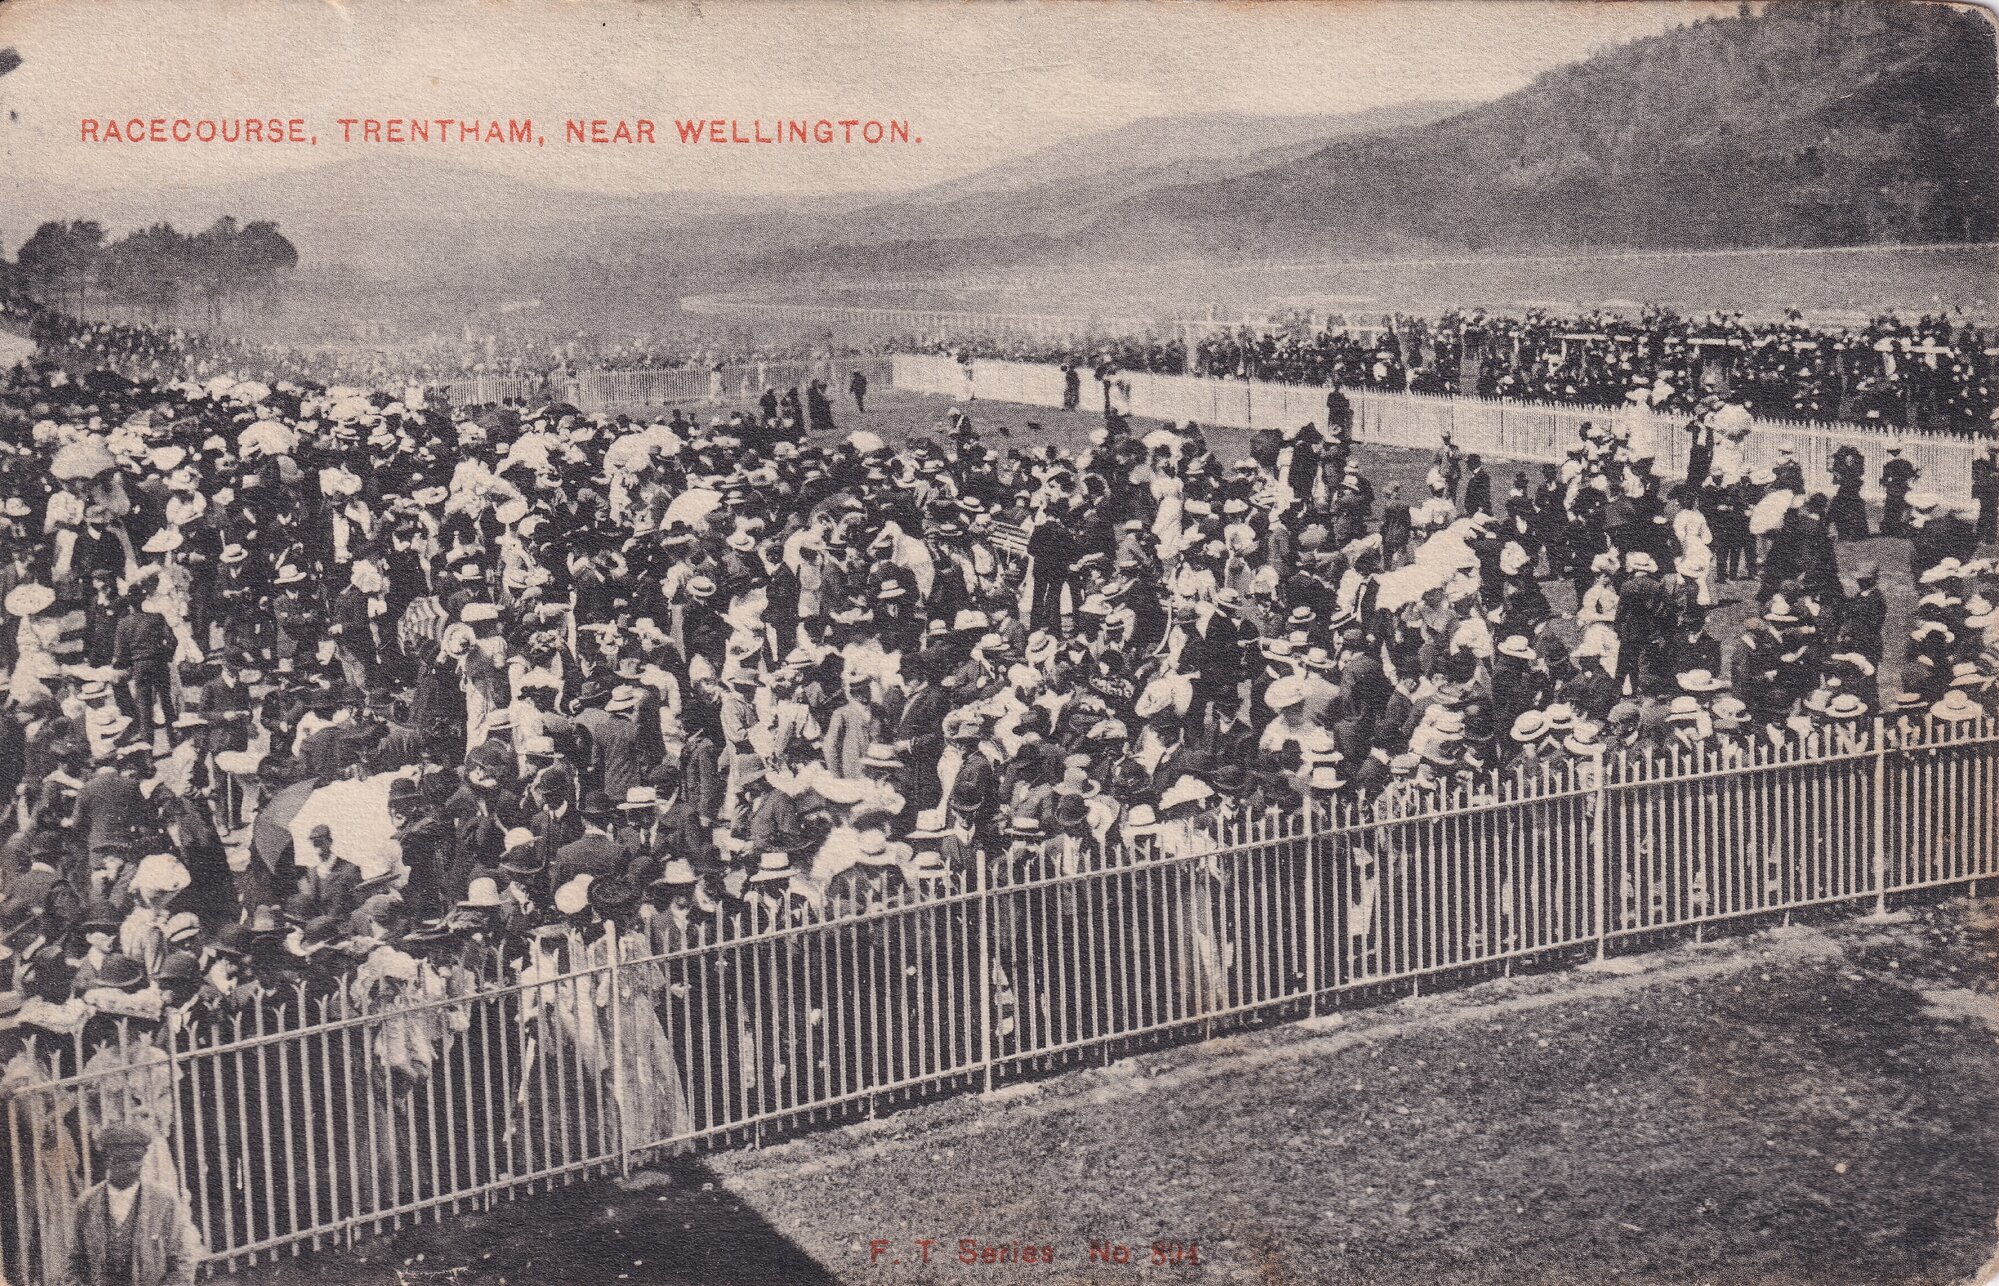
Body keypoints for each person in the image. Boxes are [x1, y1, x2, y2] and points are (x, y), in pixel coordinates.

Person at [64, 1123, 204, 1286]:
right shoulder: (87, 1203)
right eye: (121, 1160)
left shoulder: (164, 1202)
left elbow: (182, 1261)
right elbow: (75, 1262)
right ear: (107, 1160)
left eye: (136, 1159)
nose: (130, 1167)